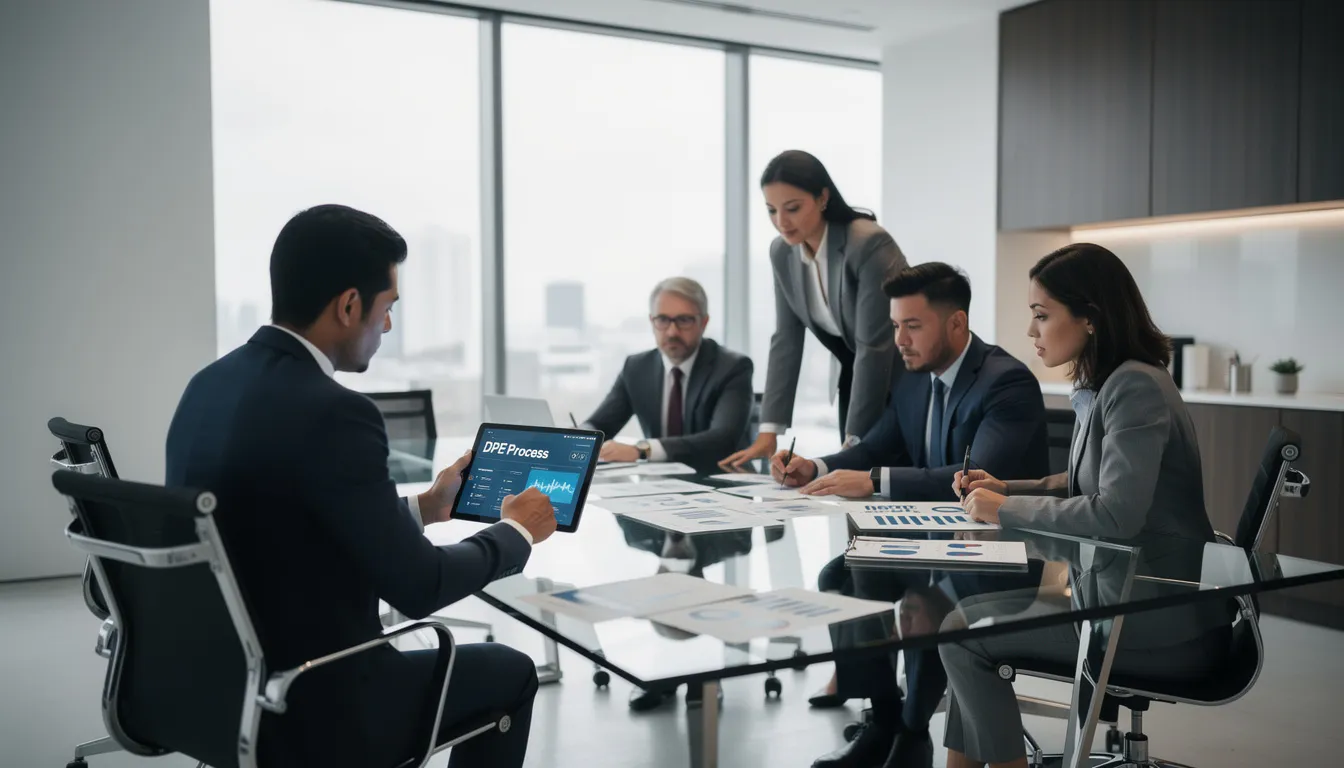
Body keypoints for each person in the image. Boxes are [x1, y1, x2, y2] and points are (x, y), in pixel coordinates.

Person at [165, 205, 558, 768]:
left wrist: (424, 507)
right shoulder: (335, 412)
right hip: (320, 700)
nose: (389, 327)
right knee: (511, 672)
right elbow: (420, 587)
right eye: (388, 308)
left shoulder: (208, 385)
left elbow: (285, 527)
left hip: (225, 688)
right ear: (350, 306)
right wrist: (516, 532)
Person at [941, 243, 1232, 768]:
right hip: (1119, 598)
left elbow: (1114, 515)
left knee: (963, 636)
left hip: (1148, 618)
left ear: (1090, 318)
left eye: (1041, 315)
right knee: (962, 623)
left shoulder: (1134, 388)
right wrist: (1009, 489)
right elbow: (1085, 484)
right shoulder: (1112, 382)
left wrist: (1000, 513)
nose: (1031, 331)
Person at [768, 263, 1050, 768]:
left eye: (912, 326)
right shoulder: (914, 380)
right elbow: (878, 445)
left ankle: (913, 732)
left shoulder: (1006, 383)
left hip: (1002, 555)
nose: (899, 339)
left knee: (922, 597)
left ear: (957, 324)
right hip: (936, 545)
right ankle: (883, 718)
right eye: (895, 326)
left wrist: (877, 480)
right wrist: (817, 465)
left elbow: (976, 476)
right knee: (843, 574)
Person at [720, 150, 908, 470]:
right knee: (851, 486)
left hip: (903, 377)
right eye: (771, 210)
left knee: (882, 481)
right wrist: (769, 432)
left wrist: (853, 441)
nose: (782, 222)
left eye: (792, 208)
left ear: (822, 198)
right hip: (856, 376)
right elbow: (787, 338)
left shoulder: (867, 243)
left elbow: (874, 345)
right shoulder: (783, 252)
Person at [583, 277, 753, 475]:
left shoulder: (732, 367)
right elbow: (601, 425)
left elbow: (721, 439)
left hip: (722, 481)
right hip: (660, 485)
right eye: (663, 320)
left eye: (684, 320)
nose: (672, 331)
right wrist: (574, 436)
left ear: (704, 322)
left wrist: (641, 450)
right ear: (652, 321)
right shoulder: (637, 368)